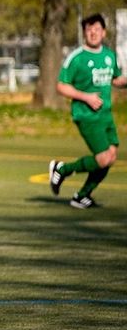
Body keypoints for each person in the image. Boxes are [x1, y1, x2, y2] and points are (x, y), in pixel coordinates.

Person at [48, 14, 126, 209]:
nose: (93, 33)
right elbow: (61, 86)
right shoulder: (77, 58)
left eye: (97, 29)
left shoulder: (109, 56)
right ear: (84, 33)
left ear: (104, 32)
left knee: (111, 156)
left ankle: (81, 196)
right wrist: (86, 97)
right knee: (103, 158)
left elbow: (116, 80)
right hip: (86, 115)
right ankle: (62, 169)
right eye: (89, 30)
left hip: (106, 115)